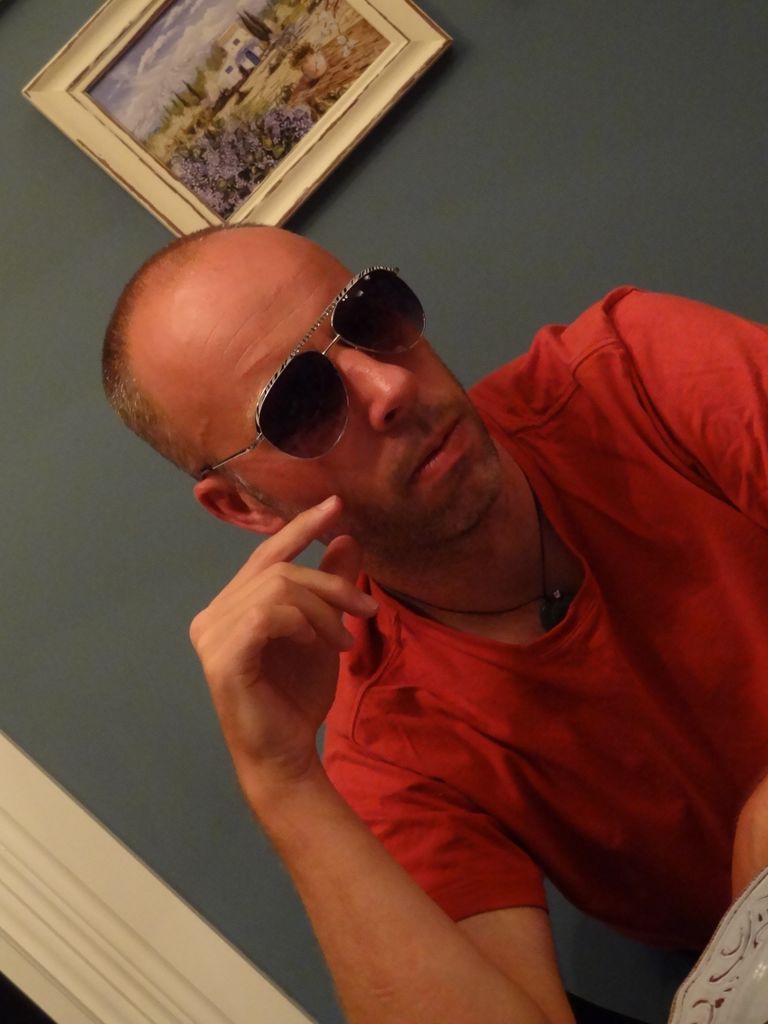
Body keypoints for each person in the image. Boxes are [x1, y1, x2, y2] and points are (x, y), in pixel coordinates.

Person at [102, 223, 768, 1024]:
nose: (390, 387)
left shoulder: (635, 372)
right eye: (301, 404)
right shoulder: (388, 743)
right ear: (243, 505)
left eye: (368, 316)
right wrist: (284, 785)